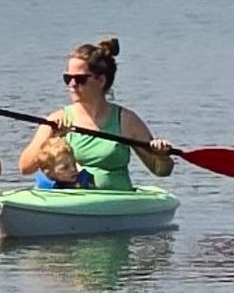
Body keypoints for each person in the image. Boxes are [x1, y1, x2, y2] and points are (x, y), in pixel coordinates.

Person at [19, 36, 175, 191]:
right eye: (67, 78)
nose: (72, 85)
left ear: (101, 81)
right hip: (71, 204)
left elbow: (161, 171)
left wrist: (162, 155)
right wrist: (52, 136)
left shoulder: (126, 121)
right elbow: (25, 168)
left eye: (80, 79)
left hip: (117, 204)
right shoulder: (57, 119)